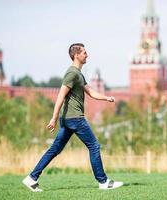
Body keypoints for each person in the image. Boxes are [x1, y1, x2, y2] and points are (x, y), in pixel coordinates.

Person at [22, 43, 123, 192]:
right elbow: (60, 95)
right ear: (76, 55)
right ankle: (103, 182)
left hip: (68, 120)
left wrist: (106, 98)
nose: (87, 55)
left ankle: (32, 178)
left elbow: (91, 92)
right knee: (94, 146)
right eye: (84, 52)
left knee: (55, 149)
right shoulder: (72, 74)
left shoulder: (78, 74)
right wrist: (54, 118)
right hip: (75, 118)